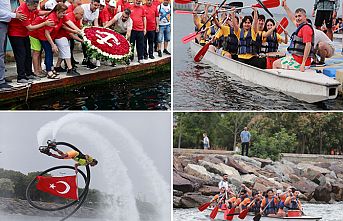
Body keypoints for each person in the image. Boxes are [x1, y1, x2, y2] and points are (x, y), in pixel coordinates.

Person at [8, 0, 54, 84]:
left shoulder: (32, 8)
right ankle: (21, 77)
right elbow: (30, 27)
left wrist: (51, 12)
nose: (35, 9)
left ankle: (29, 73)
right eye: (34, 7)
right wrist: (45, 23)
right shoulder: (22, 11)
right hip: (16, 34)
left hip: (24, 34)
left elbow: (38, 12)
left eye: (36, 7)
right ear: (28, 4)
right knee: (21, 55)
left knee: (28, 54)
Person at [273, 0, 314, 72]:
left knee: (275, 64)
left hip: (300, 62)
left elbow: (308, 45)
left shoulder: (306, 28)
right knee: (280, 61)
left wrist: (303, 64)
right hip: (296, 58)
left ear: (305, 17)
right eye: (296, 16)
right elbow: (292, 18)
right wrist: (285, 7)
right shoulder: (301, 26)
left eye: (300, 16)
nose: (297, 18)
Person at [0, 1, 27, 89]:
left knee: (2, 53)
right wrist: (14, 15)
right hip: (1, 22)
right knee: (0, 53)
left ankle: (1, 77)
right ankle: (0, 81)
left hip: (5, 22)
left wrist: (13, 14)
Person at [53, 6, 84, 76]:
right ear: (76, 13)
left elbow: (75, 29)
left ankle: (57, 67)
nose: (82, 16)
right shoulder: (69, 16)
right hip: (60, 36)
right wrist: (82, 40)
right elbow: (71, 34)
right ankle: (70, 69)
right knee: (67, 51)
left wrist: (80, 32)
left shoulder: (76, 18)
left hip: (65, 37)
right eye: (81, 14)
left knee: (62, 52)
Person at [81, 0, 100, 70]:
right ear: (91, 3)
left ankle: (88, 59)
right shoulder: (83, 7)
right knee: (85, 43)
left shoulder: (97, 10)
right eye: (95, 5)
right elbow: (80, 21)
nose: (96, 7)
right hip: (81, 27)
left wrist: (97, 32)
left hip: (89, 27)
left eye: (98, 5)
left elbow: (95, 23)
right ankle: (88, 60)